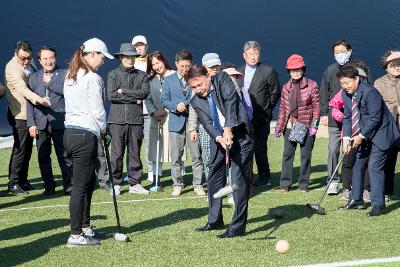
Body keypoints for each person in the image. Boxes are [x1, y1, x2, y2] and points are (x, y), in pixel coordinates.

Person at [188, 65, 253, 238]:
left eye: (200, 84)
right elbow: (207, 123)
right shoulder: (195, 100)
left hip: (240, 136)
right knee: (213, 179)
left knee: (239, 182)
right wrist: (219, 138)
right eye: (193, 87)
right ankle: (215, 220)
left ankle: (238, 227)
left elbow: (232, 103)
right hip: (219, 140)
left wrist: (228, 129)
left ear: (208, 76)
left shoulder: (222, 79)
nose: (198, 90)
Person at [64, 37, 113, 247]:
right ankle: (75, 235)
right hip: (85, 135)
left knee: (87, 183)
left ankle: (84, 227)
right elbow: (97, 110)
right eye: (102, 56)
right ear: (92, 54)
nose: (103, 61)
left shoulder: (70, 75)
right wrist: (104, 130)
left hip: (71, 134)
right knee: (80, 187)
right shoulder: (92, 78)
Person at [339, 66, 400, 216]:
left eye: (347, 83)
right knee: (357, 163)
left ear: (357, 79)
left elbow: (375, 118)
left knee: (374, 167)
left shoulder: (370, 92)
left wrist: (361, 136)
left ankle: (379, 205)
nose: (345, 86)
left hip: (382, 134)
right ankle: (356, 199)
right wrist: (346, 138)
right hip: (365, 134)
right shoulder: (345, 94)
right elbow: (348, 117)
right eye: (342, 83)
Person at [319, 39, 372, 195]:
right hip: (336, 118)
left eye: (342, 51)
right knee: (333, 149)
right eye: (336, 52)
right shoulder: (329, 70)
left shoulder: (360, 69)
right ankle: (333, 181)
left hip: (357, 118)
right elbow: (324, 92)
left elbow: (369, 88)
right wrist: (324, 113)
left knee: (356, 150)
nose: (340, 55)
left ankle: (358, 184)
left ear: (349, 51)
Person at [4, 40, 51, 195]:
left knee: (28, 149)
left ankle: (23, 181)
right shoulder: (11, 68)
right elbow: (23, 89)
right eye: (22, 58)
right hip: (19, 115)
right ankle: (13, 183)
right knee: (20, 149)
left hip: (31, 114)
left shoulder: (31, 64)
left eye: (28, 58)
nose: (25, 61)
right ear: (15, 54)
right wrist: (40, 99)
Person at [27, 46, 72, 196]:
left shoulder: (65, 74)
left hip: (60, 121)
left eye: (51, 57)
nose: (49, 61)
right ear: (39, 61)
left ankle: (69, 186)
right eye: (45, 58)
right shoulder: (33, 77)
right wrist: (31, 123)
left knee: (64, 155)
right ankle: (49, 187)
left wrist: (49, 82)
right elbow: (29, 102)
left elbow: (68, 94)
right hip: (41, 123)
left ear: (56, 58)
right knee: (43, 157)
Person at [107, 43, 150, 196]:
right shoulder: (113, 74)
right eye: (126, 56)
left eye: (132, 56)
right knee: (117, 153)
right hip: (116, 119)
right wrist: (134, 97)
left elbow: (144, 93)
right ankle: (116, 183)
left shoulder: (142, 75)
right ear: (121, 57)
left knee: (135, 152)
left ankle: (135, 183)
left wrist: (123, 91)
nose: (130, 59)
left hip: (136, 119)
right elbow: (111, 96)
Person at [160, 50, 204, 197]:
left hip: (193, 123)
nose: (185, 69)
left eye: (188, 66)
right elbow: (164, 100)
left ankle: (197, 185)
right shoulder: (169, 80)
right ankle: (177, 184)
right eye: (183, 66)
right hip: (175, 122)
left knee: (197, 155)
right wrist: (175, 106)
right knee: (176, 157)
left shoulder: (195, 79)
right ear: (176, 63)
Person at [274, 54, 320, 192]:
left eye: (298, 69)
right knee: (287, 154)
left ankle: (303, 184)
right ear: (288, 71)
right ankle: (285, 184)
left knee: (306, 156)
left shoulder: (312, 85)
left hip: (306, 126)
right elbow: (282, 109)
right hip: (290, 126)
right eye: (292, 70)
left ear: (303, 69)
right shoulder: (286, 88)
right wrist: (279, 127)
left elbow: (317, 107)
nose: (295, 72)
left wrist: (314, 126)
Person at [237, 41, 280, 186]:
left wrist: (267, 109)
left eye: (256, 53)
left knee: (260, 147)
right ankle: (247, 176)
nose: (253, 57)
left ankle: (264, 177)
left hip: (261, 118)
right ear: (244, 55)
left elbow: (275, 92)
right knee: (245, 148)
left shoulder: (268, 70)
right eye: (250, 54)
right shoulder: (239, 71)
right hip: (243, 119)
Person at [329, 61, 371, 202]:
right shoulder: (344, 92)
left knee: (365, 163)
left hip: (365, 133)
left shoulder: (368, 91)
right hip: (349, 133)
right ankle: (347, 188)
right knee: (347, 161)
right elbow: (334, 107)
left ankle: (366, 190)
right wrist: (342, 119)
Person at [145, 51, 175, 184]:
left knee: (175, 148)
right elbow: (148, 100)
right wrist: (153, 112)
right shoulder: (151, 81)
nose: (156, 67)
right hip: (156, 119)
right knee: (156, 149)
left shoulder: (175, 75)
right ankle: (156, 178)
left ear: (163, 60)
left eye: (158, 63)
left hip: (173, 117)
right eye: (153, 65)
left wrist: (166, 109)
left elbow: (179, 97)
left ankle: (178, 178)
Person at [374, 50, 400, 202]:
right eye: (393, 65)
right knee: (388, 162)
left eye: (399, 64)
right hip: (388, 128)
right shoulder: (379, 83)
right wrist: (396, 108)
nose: (397, 67)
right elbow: (378, 107)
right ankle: (387, 191)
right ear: (386, 67)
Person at [131, 35, 154, 181]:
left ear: (147, 46)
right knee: (133, 144)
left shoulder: (153, 62)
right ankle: (133, 172)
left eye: (141, 45)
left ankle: (152, 172)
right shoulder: (128, 63)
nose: (139, 47)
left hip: (149, 110)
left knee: (149, 143)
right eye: (136, 46)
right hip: (133, 110)